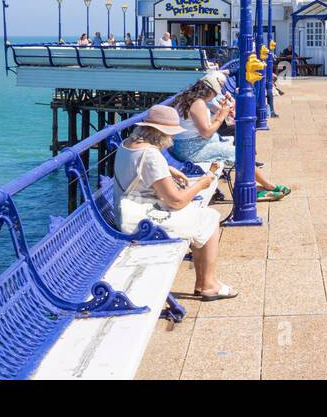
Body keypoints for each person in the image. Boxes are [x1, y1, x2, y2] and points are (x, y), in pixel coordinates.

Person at [114, 105, 236, 301]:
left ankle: (203, 282)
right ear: (161, 133)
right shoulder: (151, 155)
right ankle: (208, 284)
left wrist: (168, 169)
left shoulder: (127, 144)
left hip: (128, 208)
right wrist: (201, 185)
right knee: (210, 218)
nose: (171, 141)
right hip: (142, 220)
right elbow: (176, 201)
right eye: (170, 135)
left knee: (200, 218)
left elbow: (138, 168)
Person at [170, 71, 289, 201]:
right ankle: (264, 187)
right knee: (240, 153)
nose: (214, 96)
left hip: (186, 146)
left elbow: (204, 125)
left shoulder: (189, 100)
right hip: (192, 150)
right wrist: (222, 115)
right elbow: (206, 132)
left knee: (235, 151)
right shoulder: (198, 104)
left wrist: (221, 111)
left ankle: (257, 186)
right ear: (209, 91)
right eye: (215, 93)